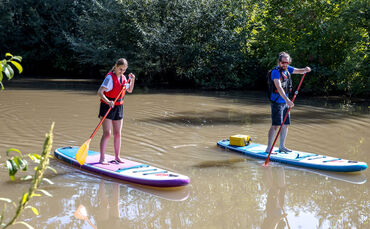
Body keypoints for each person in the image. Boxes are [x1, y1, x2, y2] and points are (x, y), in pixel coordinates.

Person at [266, 52, 311, 153]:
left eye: (287, 62)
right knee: (275, 125)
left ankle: (282, 147)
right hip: (277, 102)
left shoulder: (287, 69)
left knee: (285, 124)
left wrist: (305, 69)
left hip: (286, 102)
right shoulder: (275, 72)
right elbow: (279, 87)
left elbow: (299, 71)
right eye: (283, 62)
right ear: (279, 61)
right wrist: (288, 100)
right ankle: (269, 148)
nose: (285, 64)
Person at [97, 58, 135, 164]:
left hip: (118, 107)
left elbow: (130, 90)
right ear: (116, 66)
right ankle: (102, 158)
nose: (122, 72)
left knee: (118, 133)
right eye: (120, 69)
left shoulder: (123, 78)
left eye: (124, 70)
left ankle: (117, 157)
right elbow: (100, 92)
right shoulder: (109, 77)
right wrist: (108, 101)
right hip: (107, 106)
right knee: (107, 133)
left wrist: (132, 80)